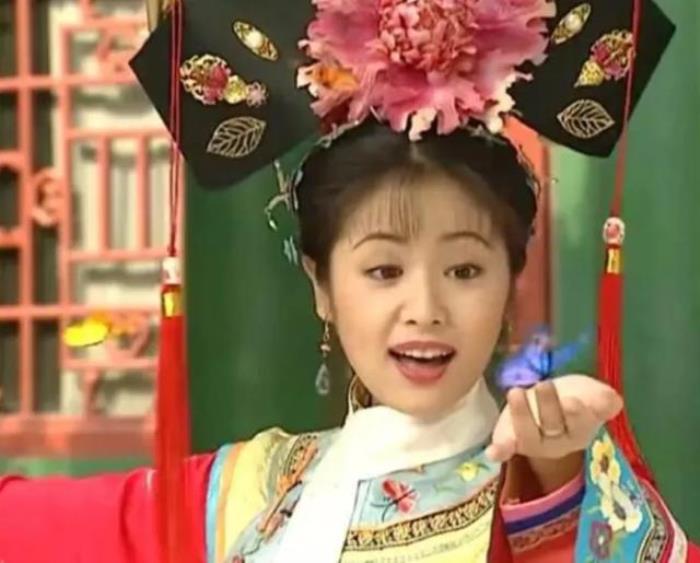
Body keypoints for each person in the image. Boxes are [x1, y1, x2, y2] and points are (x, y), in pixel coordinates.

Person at [2, 0, 698, 562]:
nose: (424, 308)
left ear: (510, 278)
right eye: (383, 270)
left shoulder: (548, 490)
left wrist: (563, 485)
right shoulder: (248, 491)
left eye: (463, 270)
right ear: (322, 286)